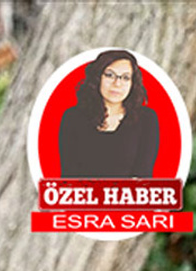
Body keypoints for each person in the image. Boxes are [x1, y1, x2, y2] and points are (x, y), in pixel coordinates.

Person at [57, 49, 159, 178]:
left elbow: (143, 177)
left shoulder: (146, 119)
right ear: (97, 78)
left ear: (132, 83)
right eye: (110, 75)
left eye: (126, 77)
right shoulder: (73, 118)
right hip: (83, 197)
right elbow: (68, 175)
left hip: (128, 197)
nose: (117, 84)